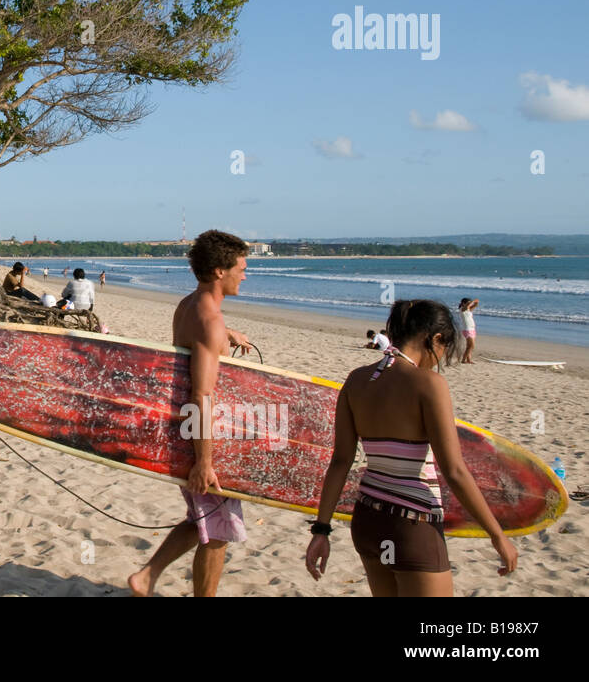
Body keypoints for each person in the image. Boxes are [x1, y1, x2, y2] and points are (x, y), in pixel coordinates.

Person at [305, 299, 517, 596]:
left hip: (368, 521)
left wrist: (321, 530)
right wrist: (497, 535)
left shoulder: (356, 380)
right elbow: (454, 470)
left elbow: (341, 461)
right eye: (444, 348)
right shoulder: (428, 384)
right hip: (412, 526)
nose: (439, 358)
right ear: (435, 338)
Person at [128, 230, 253, 598]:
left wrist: (228, 333)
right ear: (219, 271)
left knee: (204, 519)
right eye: (241, 269)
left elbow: (197, 339)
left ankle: (147, 576)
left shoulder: (190, 305)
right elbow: (201, 395)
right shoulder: (209, 321)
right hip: (198, 434)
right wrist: (205, 461)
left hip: (182, 429)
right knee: (219, 529)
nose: (245, 275)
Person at [459, 298, 479, 363]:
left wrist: (476, 302)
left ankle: (468, 360)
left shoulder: (468, 310)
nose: (469, 304)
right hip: (467, 329)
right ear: (463, 303)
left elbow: (475, 305)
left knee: (469, 346)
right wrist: (472, 301)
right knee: (471, 346)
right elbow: (467, 305)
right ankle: (463, 360)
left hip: (472, 329)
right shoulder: (462, 309)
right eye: (468, 303)